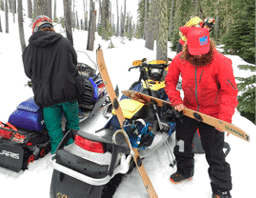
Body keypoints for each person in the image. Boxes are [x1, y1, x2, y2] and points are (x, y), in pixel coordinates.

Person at [165, 26, 238, 198]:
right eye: (195, 52)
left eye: (202, 52)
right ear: (187, 47)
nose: (198, 55)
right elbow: (170, 82)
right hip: (189, 110)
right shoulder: (180, 59)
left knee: (214, 154)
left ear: (209, 46)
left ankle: (222, 189)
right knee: (181, 145)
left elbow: (229, 92)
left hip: (213, 114)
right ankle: (184, 171)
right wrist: (176, 101)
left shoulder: (221, 62)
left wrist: (224, 119)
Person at [22, 15, 85, 154]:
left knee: (54, 131)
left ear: (35, 29)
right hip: (68, 93)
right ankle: (73, 153)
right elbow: (74, 62)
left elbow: (29, 72)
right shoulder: (64, 42)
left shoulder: (30, 48)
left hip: (47, 97)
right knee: (73, 125)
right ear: (51, 27)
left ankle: (58, 156)